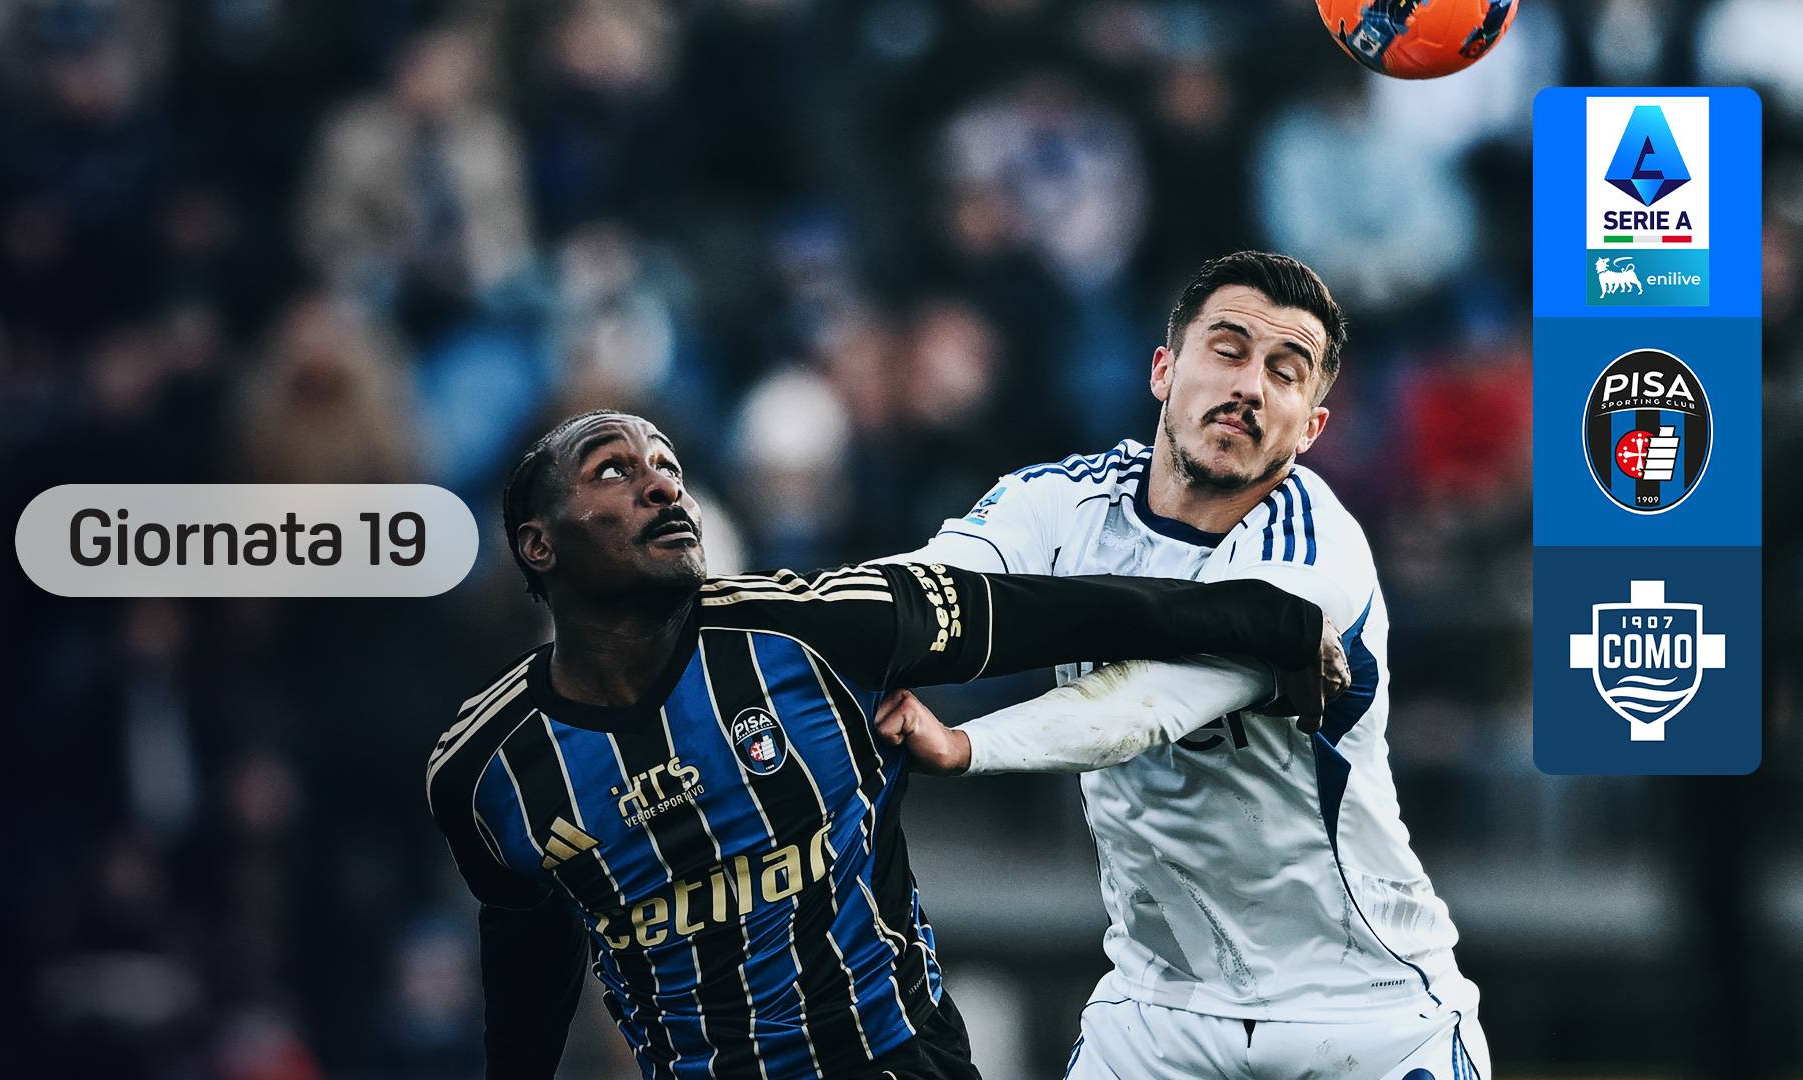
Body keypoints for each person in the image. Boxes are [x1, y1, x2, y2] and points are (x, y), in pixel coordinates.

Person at [424, 409, 1347, 1080]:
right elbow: (529, 954)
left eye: (668, 463)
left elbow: (1055, 613)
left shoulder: (818, 628)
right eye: (613, 472)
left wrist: (1264, 619)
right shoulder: (483, 771)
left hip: (895, 1061)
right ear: (538, 546)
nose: (663, 483)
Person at [873, 251, 1490, 1078]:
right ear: (1164, 370)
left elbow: (1140, 707)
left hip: (1363, 1014)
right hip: (1158, 1012)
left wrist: (966, 744)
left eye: (1285, 372)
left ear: (1311, 428)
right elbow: (925, 592)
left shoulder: (1313, 552)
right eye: (1228, 350)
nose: (1250, 386)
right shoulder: (1059, 502)